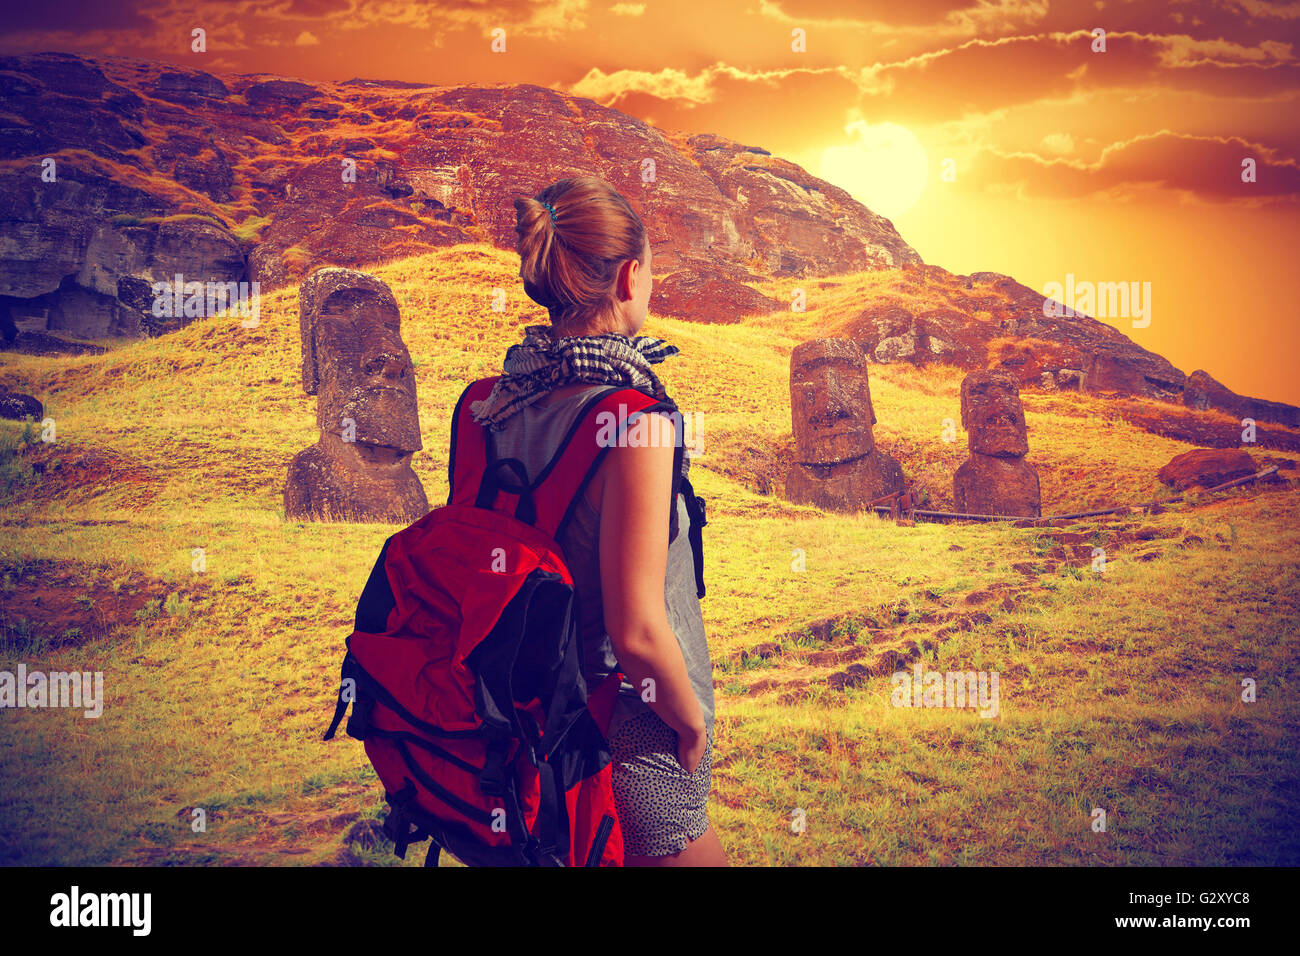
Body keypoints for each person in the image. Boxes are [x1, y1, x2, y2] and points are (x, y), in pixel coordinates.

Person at [467, 176, 728, 867]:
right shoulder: (636, 423)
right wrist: (690, 723)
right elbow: (637, 633)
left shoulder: (490, 405)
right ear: (629, 276)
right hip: (632, 733)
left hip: (517, 731)